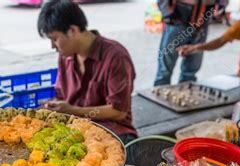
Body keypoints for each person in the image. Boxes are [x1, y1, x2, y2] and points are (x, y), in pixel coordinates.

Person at [37, 0, 138, 144]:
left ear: (72, 30)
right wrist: (52, 107)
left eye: (54, 39)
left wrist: (73, 110)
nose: (52, 46)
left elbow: (118, 112)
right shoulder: (65, 56)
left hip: (112, 131)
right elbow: (61, 97)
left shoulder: (116, 57)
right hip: (75, 128)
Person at [154, 0, 224, 86]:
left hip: (203, 18)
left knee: (190, 72)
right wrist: (167, 12)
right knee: (164, 71)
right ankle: (158, 96)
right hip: (178, 16)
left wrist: (221, 6)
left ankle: (183, 97)